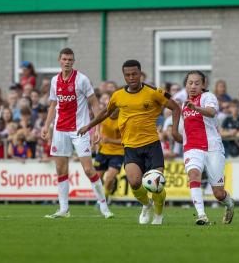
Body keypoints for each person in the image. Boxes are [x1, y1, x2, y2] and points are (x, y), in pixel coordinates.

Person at [78, 59, 181, 225]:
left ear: (140, 74)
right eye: (127, 75)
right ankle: (147, 205)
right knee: (134, 183)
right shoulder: (118, 95)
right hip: (131, 147)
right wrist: (89, 125)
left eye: (134, 74)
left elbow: (176, 107)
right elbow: (105, 112)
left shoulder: (154, 92)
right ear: (124, 76)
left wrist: (175, 131)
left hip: (152, 145)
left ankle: (159, 216)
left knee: (157, 184)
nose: (131, 77)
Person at [41, 47, 112, 219]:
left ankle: (103, 206)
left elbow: (95, 104)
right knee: (60, 168)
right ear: (59, 60)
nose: (67, 62)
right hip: (59, 130)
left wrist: (97, 128)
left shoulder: (81, 79)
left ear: (73, 61)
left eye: (70, 60)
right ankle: (64, 209)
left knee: (88, 169)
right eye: (64, 59)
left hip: (79, 129)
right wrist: (46, 126)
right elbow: (52, 105)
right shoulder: (54, 81)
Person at [174, 70, 234, 225]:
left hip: (213, 148)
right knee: (194, 175)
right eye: (190, 83)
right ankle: (201, 215)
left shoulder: (208, 97)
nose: (193, 86)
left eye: (197, 83)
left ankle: (229, 203)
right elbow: (184, 132)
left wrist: (196, 108)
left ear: (203, 84)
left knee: (218, 194)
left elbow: (212, 112)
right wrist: (173, 134)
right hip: (192, 149)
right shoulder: (184, 106)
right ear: (185, 85)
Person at [93, 108, 124, 203]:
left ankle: (104, 199)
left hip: (118, 153)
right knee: (97, 179)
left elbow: (125, 141)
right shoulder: (104, 116)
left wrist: (110, 140)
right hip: (103, 151)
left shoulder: (123, 120)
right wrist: (96, 136)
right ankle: (102, 195)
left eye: (115, 109)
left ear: (119, 110)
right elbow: (96, 123)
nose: (113, 111)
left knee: (109, 178)